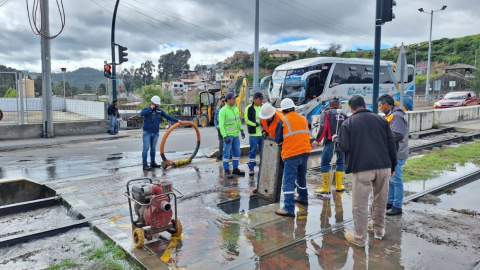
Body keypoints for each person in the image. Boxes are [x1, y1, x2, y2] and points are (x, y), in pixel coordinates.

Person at [334, 95, 397, 247]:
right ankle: (379, 230)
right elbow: (391, 144)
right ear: (364, 105)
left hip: (363, 169)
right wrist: (393, 166)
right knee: (381, 200)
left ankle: (359, 238)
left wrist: (337, 139)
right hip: (384, 167)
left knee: (360, 204)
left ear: (351, 108)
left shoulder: (349, 123)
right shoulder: (382, 120)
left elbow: (343, 147)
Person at [274, 98, 311, 217]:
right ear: (294, 108)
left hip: (291, 154)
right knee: (301, 177)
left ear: (283, 110)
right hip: (305, 151)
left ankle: (289, 208)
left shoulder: (283, 120)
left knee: (288, 181)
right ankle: (303, 197)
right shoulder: (303, 118)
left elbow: (278, 139)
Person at [377, 94, 409, 216]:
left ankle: (397, 206)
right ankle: (390, 203)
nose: (379, 108)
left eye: (380, 105)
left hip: (397, 153)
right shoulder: (391, 115)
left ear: (386, 104)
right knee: (390, 180)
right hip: (392, 152)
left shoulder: (396, 116)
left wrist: (382, 139)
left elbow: (398, 134)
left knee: (396, 180)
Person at [312, 98, 348, 195]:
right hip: (342, 142)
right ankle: (339, 186)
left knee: (325, 163)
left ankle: (326, 188)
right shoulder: (344, 114)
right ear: (338, 105)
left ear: (329, 105)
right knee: (340, 162)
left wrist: (317, 140)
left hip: (330, 142)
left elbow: (323, 127)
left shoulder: (326, 113)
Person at [140, 95, 182, 171]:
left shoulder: (159, 111)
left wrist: (177, 120)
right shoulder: (146, 110)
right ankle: (144, 164)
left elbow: (168, 116)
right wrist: (150, 109)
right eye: (155, 104)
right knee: (145, 148)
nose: (156, 106)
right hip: (147, 132)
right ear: (152, 103)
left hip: (155, 132)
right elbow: (141, 114)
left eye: (157, 105)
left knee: (153, 148)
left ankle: (152, 163)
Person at [219, 92, 245, 179]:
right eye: (233, 99)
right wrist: (224, 136)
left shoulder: (235, 109)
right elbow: (221, 125)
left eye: (235, 98)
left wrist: (241, 130)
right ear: (228, 100)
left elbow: (238, 121)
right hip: (228, 136)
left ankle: (235, 168)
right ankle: (226, 170)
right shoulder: (223, 111)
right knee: (226, 154)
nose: (235, 100)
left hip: (235, 135)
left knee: (237, 152)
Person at [244, 92, 264, 176]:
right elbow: (247, 119)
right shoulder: (249, 108)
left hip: (263, 134)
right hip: (254, 134)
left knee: (263, 151)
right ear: (255, 99)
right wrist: (256, 124)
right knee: (252, 151)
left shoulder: (263, 107)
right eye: (260, 99)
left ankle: (263, 167)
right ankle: (251, 168)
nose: (261, 101)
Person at [214, 96, 226, 161]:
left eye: (225, 101)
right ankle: (220, 155)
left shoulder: (228, 109)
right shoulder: (218, 109)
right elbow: (215, 119)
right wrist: (217, 126)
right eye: (222, 101)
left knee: (228, 141)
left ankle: (230, 155)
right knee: (221, 142)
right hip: (220, 128)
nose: (224, 102)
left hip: (226, 128)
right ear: (220, 101)